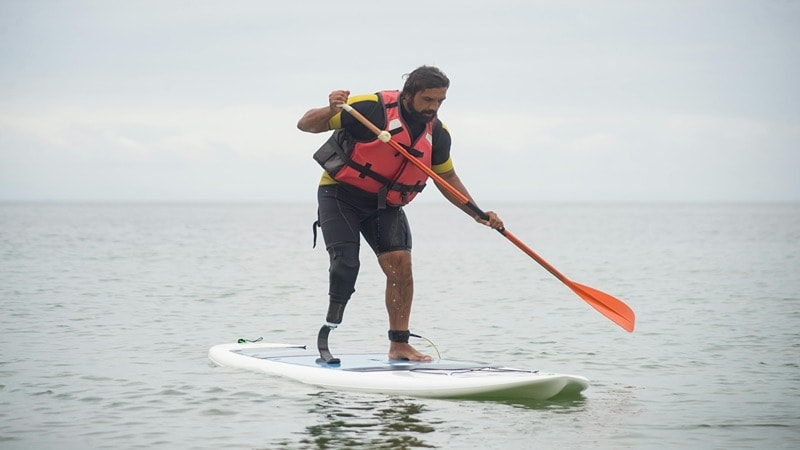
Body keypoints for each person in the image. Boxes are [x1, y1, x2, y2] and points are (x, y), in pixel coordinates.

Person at [297, 65, 503, 363]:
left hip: (385, 204)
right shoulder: (370, 108)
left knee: (401, 269)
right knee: (346, 264)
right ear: (408, 95)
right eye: (428, 100)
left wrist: (476, 213)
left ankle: (399, 344)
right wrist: (330, 109)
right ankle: (328, 332)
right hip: (341, 194)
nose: (433, 108)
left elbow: (448, 179)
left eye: (440, 101)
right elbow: (305, 125)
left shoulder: (438, 135)